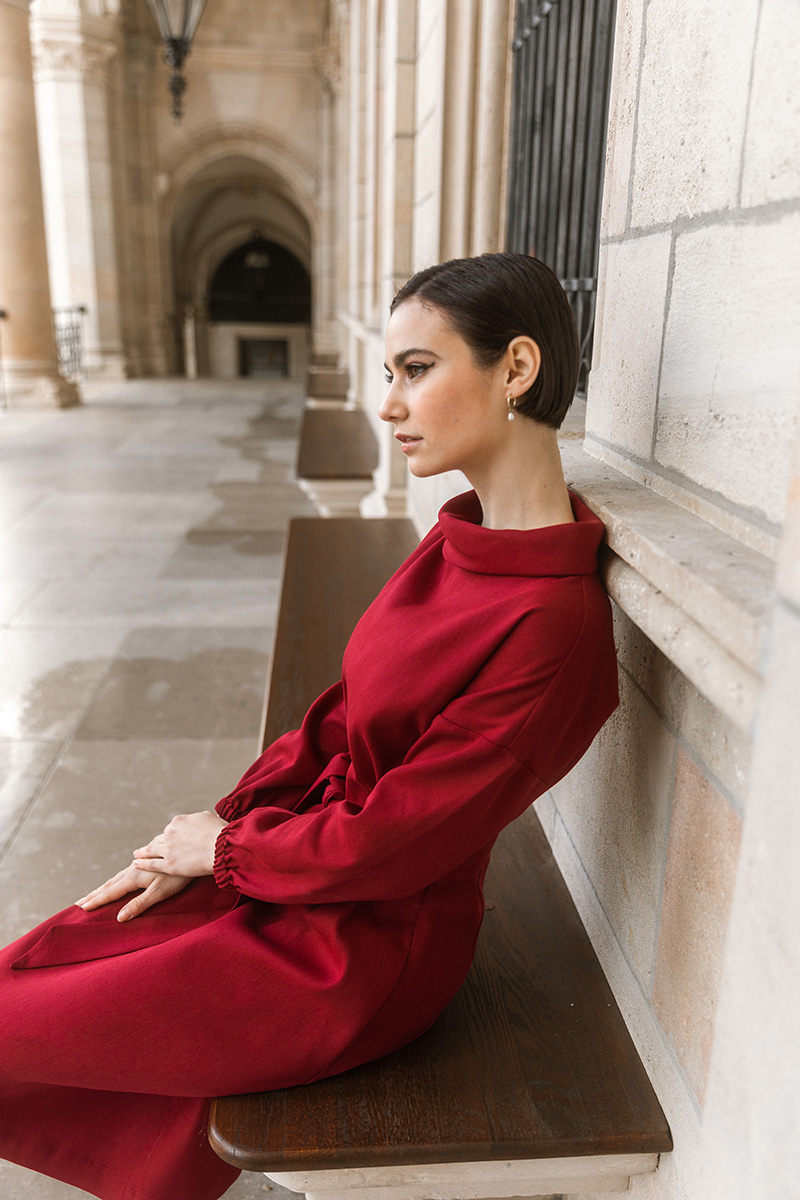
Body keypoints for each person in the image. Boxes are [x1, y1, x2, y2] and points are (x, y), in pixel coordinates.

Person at [0, 253, 618, 1200]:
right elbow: (335, 721)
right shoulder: (462, 541)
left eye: (416, 370)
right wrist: (203, 834)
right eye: (391, 373)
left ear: (517, 370)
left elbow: (398, 840)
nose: (389, 403)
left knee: (28, 1016)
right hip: (307, 865)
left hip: (363, 948)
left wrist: (231, 852)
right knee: (54, 954)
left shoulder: (554, 621)